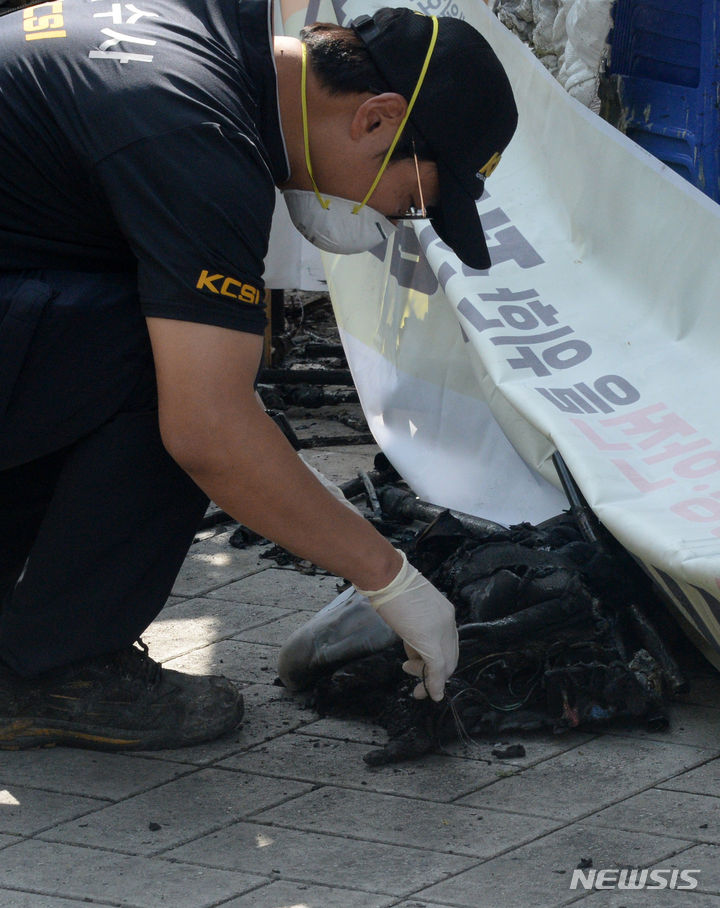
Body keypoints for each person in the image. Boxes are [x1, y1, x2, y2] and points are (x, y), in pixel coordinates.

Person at [0, 0, 518, 750]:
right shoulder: (195, 139)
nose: (383, 221)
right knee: (183, 380)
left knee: (153, 331)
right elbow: (209, 430)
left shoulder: (201, 35)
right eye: (406, 204)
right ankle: (54, 673)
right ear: (375, 120)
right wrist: (388, 577)